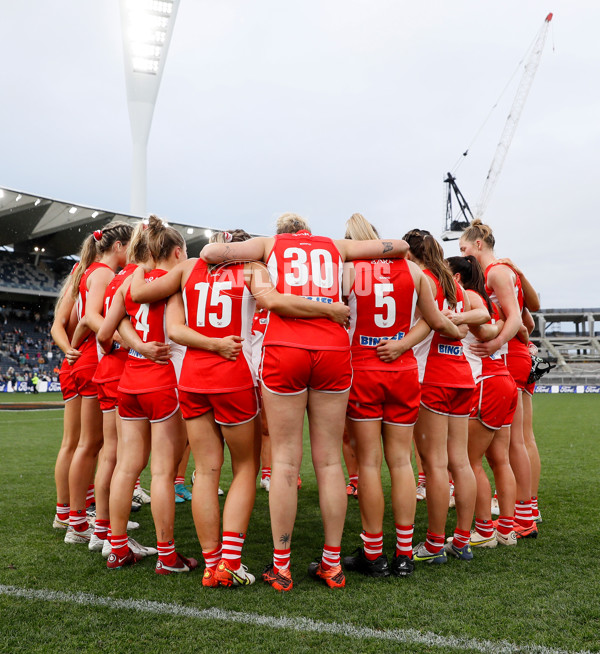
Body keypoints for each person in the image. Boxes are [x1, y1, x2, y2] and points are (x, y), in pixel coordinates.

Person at [130, 227, 350, 588]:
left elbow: (154, 309)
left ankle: (211, 564)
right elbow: (276, 302)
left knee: (205, 470)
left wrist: (140, 263)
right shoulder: (253, 270)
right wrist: (329, 311)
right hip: (233, 375)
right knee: (246, 467)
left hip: (192, 379)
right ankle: (231, 560)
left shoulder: (186, 268)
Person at [200, 213, 409, 591]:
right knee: (330, 461)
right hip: (332, 349)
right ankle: (332, 563)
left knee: (283, 460)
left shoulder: (270, 244)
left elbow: (212, 251)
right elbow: (397, 246)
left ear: (284, 234)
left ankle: (282, 567)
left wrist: (254, 262)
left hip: (285, 347)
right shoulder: (335, 246)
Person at [341, 214, 465, 578]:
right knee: (401, 462)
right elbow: (433, 319)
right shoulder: (411, 272)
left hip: (363, 367)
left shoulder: (348, 272)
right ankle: (405, 554)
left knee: (368, 464)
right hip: (404, 371)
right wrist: (403, 344)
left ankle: (373, 553)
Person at [98, 216, 194, 573]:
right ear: (176, 251)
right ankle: (168, 556)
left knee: (126, 466)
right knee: (163, 473)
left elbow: (104, 335)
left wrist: (137, 345)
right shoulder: (176, 284)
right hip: (163, 383)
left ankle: (117, 547)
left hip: (129, 384)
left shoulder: (129, 282)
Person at [405, 229, 484, 564]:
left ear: (410, 254)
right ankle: (461, 541)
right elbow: (478, 317)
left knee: (435, 465)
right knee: (460, 461)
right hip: (462, 376)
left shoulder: (420, 280)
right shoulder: (454, 285)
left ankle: (435, 544)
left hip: (431, 377)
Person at [459, 220, 539, 539]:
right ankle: (525, 511)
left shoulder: (494, 272)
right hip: (514, 354)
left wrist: (495, 342)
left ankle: (524, 515)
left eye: (464, 248)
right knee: (517, 442)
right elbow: (527, 319)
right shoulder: (504, 270)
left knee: (515, 442)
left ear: (479, 244)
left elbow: (519, 319)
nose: (463, 255)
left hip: (508, 359)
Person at [64, 223, 133, 544]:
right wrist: (120, 336)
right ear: (118, 246)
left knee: (92, 445)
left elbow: (81, 321)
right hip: (99, 359)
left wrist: (71, 350)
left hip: (89, 357)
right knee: (92, 445)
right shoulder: (104, 273)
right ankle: (79, 522)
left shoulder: (91, 271)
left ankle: (84, 518)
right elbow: (92, 316)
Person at [446, 255, 518, 548]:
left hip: (485, 382)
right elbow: (521, 327)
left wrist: (489, 330)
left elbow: (484, 328)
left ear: (458, 277)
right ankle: (507, 529)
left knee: (469, 462)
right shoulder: (490, 302)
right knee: (499, 460)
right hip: (503, 379)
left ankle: (485, 530)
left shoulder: (469, 298)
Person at [50, 270, 82, 530]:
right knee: (78, 444)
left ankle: (70, 510)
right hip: (78, 366)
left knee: (80, 444)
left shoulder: (77, 281)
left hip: (73, 365)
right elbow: (57, 326)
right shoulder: (83, 281)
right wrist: (70, 349)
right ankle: (68, 512)